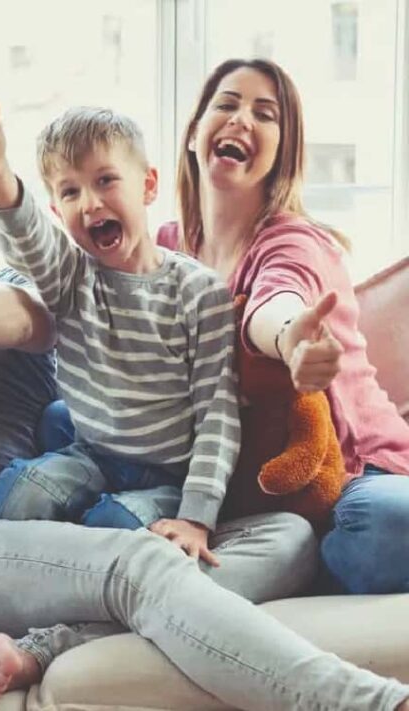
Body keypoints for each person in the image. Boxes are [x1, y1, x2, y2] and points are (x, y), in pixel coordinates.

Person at [0, 121, 409, 710]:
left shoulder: (31, 290)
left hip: (58, 536)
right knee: (141, 564)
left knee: (290, 539)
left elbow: (21, 317)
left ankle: (49, 643)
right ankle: (367, 704)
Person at [0, 101, 239, 565]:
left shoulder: (200, 291)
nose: (89, 203)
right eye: (70, 192)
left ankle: (86, 548)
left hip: (168, 477)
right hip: (93, 454)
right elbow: (30, 238)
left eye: (106, 180)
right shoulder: (71, 277)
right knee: (19, 497)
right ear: (57, 210)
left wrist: (196, 518)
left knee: (115, 530)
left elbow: (218, 416)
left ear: (148, 185)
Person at [161, 57, 409, 595]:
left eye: (264, 114)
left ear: (282, 153)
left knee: (379, 525)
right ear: (193, 135)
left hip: (357, 473)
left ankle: (302, 560)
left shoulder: (293, 241)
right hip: (245, 488)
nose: (241, 119)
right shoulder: (163, 248)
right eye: (226, 105)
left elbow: (276, 300)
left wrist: (290, 336)